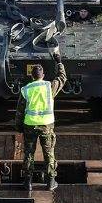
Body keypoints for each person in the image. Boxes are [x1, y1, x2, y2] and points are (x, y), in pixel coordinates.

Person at [15, 53, 68, 191]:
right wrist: (59, 62)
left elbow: (20, 111)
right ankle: (51, 182)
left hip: (29, 125)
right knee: (49, 153)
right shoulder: (49, 87)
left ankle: (28, 183)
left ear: (31, 76)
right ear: (43, 75)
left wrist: (19, 127)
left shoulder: (26, 90)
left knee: (29, 154)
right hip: (46, 125)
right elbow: (62, 78)